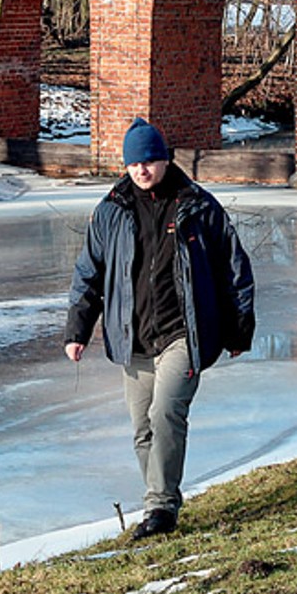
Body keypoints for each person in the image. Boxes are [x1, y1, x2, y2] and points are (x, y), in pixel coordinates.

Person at [64, 117, 256, 539]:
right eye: (135, 163)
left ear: (166, 159)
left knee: (168, 413)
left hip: (182, 333)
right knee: (142, 428)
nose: (143, 170)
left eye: (151, 161)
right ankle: (160, 498)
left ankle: (161, 509)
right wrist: (77, 331)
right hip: (132, 338)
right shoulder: (110, 211)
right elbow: (88, 274)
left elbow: (235, 270)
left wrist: (238, 332)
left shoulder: (198, 207)